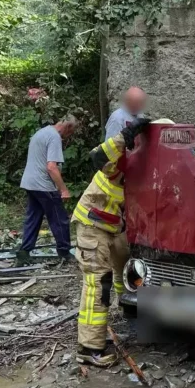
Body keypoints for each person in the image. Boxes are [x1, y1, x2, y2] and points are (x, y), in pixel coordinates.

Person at [73, 116, 154, 367]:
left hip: (114, 226)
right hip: (93, 225)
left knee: (128, 267)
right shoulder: (121, 158)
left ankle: (129, 311)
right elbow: (97, 156)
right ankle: (89, 347)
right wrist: (123, 138)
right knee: (99, 283)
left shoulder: (148, 165)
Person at [16, 116, 77, 266]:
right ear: (68, 127)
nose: (69, 136)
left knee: (33, 218)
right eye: (71, 132)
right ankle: (64, 252)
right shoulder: (54, 137)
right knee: (59, 218)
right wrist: (63, 189)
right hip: (43, 185)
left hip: (30, 183)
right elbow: (51, 167)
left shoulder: (41, 132)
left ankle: (24, 252)